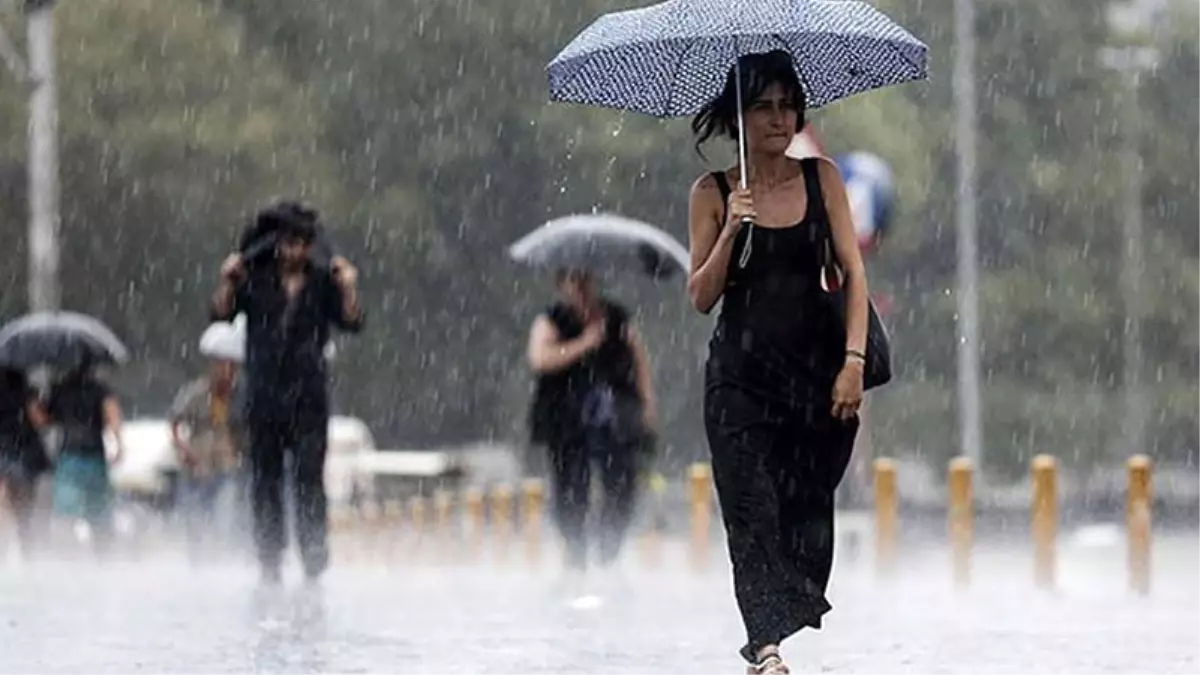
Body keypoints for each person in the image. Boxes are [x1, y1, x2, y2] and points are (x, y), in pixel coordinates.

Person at [685, 51, 869, 675]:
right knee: (751, 511)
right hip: (737, 383)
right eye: (763, 107)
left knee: (805, 508)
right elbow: (700, 296)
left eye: (787, 105)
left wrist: (853, 359)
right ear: (739, 116)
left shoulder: (823, 179)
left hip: (813, 380)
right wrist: (734, 229)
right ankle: (765, 649)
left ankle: (778, 616)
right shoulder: (712, 193)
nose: (778, 118)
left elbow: (854, 272)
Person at [210, 199, 363, 584]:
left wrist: (348, 289)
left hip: (309, 395)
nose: (295, 251)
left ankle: (313, 558)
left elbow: (352, 321)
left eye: (302, 243)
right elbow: (219, 314)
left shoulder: (324, 280)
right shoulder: (252, 277)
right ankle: (269, 559)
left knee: (310, 477)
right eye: (288, 242)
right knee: (265, 480)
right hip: (263, 394)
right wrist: (227, 281)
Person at [526, 267, 658, 573]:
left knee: (622, 485)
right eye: (574, 280)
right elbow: (540, 358)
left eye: (586, 279)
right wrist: (584, 343)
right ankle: (576, 555)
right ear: (562, 285)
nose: (582, 287)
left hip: (614, 420)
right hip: (567, 421)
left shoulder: (616, 318)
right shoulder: (551, 320)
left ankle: (608, 554)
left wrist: (647, 405)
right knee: (570, 488)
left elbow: (639, 361)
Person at [169, 353, 248, 562]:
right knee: (195, 525)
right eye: (221, 367)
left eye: (231, 369)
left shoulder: (239, 398)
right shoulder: (196, 393)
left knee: (224, 522)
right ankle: (199, 566)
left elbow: (245, 430)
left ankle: (220, 563)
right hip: (196, 469)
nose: (226, 374)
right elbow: (175, 421)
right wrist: (184, 449)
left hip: (225, 468)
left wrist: (240, 449)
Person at [47, 360, 125, 556]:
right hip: (94, 458)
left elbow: (44, 420)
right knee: (98, 516)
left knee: (66, 516)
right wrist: (119, 444)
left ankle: (70, 558)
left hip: (69, 459)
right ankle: (102, 559)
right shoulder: (100, 389)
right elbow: (112, 415)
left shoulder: (59, 389)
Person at [0, 368, 51, 557]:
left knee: (4, 503)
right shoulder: (27, 394)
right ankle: (26, 548)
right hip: (25, 454)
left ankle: (3, 551)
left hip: (4, 451)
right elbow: (40, 421)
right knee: (24, 508)